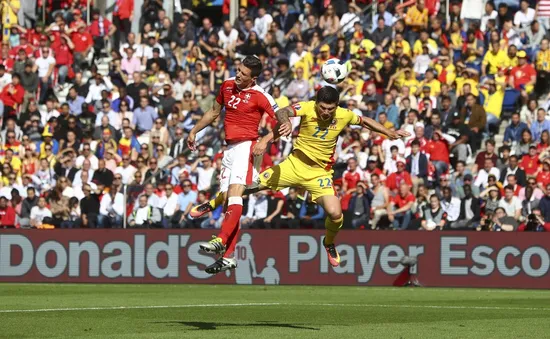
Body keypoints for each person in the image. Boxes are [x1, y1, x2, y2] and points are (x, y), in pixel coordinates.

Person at [193, 86, 409, 271]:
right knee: (244, 186)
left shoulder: (343, 115)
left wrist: (388, 133)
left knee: (335, 214)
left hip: (319, 173)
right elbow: (285, 111)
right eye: (322, 108)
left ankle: (329, 242)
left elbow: (365, 121)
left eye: (330, 109)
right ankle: (212, 203)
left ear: (336, 107)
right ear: (316, 104)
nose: (326, 113)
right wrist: (277, 129)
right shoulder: (307, 107)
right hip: (293, 165)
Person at [186, 56, 283, 274]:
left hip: (247, 147)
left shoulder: (261, 96)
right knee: (229, 201)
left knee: (235, 194)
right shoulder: (227, 85)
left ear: (254, 78)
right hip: (228, 149)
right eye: (238, 70)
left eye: (243, 74)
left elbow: (283, 121)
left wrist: (265, 141)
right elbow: (213, 112)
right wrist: (194, 131)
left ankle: (221, 239)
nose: (238, 75)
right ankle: (228, 256)